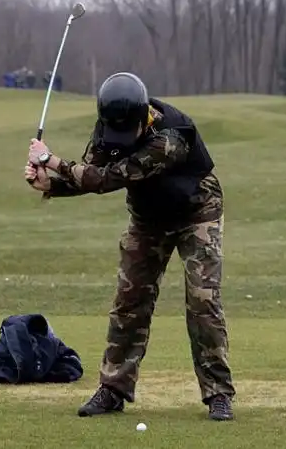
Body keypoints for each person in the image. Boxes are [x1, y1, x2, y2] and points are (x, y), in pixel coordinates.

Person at [24, 72, 236, 421]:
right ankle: (113, 390)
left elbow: (113, 177)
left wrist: (52, 161)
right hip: (148, 219)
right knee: (129, 300)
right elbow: (91, 173)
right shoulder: (108, 129)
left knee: (203, 302)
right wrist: (52, 184)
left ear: (144, 116)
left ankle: (218, 393)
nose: (117, 136)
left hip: (196, 213)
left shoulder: (171, 136)